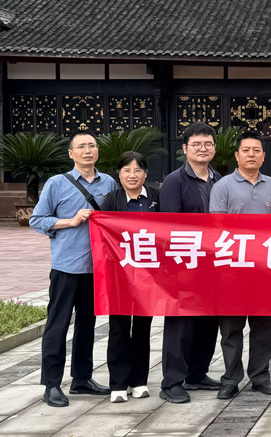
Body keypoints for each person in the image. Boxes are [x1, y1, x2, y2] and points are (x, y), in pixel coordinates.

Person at [30, 131, 117, 407]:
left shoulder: (109, 182)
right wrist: (71, 221)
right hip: (66, 267)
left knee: (87, 325)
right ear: (71, 153)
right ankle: (51, 384)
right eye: (81, 146)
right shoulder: (57, 183)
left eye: (92, 145)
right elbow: (36, 219)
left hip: (97, 268)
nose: (88, 150)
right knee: (58, 325)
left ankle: (82, 378)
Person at [208, 131, 271, 400]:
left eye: (256, 150)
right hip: (232, 268)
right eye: (246, 150)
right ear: (237, 155)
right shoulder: (223, 186)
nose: (251, 155)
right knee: (231, 327)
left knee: (264, 327)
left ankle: (260, 376)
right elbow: (216, 228)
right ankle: (231, 378)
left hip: (264, 269)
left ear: (264, 156)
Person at [159, 122, 223, 404]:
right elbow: (170, 226)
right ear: (185, 149)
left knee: (208, 321)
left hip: (213, 263)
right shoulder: (175, 181)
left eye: (207, 144)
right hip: (184, 263)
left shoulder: (219, 179)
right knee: (180, 323)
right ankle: (172, 381)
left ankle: (197, 373)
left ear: (214, 148)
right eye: (196, 144)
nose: (202, 149)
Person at [99, 151, 160, 403]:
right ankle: (118, 383)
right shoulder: (111, 200)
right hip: (119, 274)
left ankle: (139, 381)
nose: (132, 175)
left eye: (137, 170)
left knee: (143, 328)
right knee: (119, 328)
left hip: (149, 275)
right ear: (119, 174)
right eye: (127, 171)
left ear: (145, 174)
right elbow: (103, 235)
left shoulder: (156, 198)